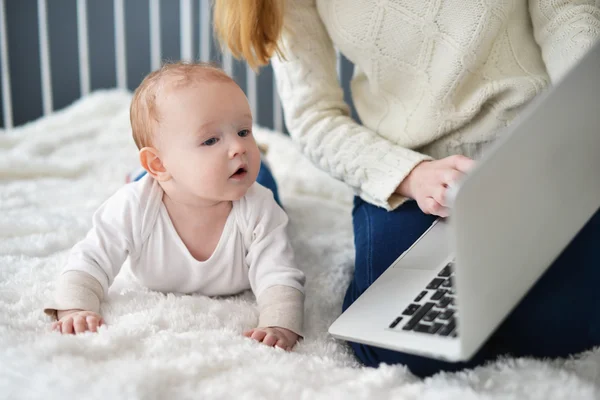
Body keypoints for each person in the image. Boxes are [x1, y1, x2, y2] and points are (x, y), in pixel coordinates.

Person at [213, 1, 600, 377]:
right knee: (407, 346)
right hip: (407, 176)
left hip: (539, 147)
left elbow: (567, 13)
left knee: (565, 326)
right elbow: (315, 118)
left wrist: (579, 114)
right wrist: (413, 174)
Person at [45, 62, 305, 351]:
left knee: (265, 181)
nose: (238, 146)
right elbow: (89, 259)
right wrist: (74, 308)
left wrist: (279, 323)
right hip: (159, 179)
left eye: (244, 131)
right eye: (210, 139)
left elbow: (279, 273)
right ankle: (142, 173)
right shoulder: (134, 206)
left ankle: (263, 159)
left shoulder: (258, 207)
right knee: (145, 183)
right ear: (158, 162)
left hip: (243, 180)